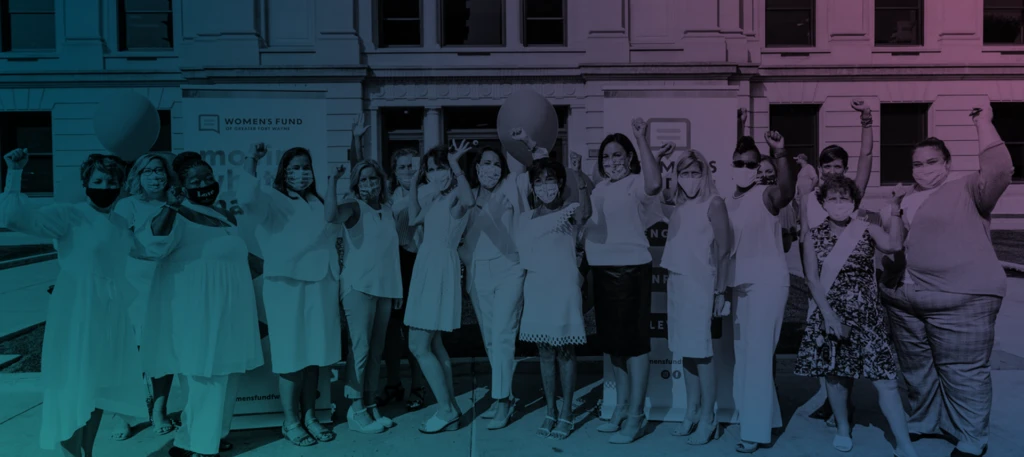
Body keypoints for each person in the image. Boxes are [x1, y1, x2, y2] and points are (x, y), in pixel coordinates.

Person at [879, 106, 1013, 457]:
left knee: (963, 371)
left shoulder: (968, 189)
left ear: (947, 163)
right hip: (906, 298)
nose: (924, 169)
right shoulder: (905, 199)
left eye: (931, 161)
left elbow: (999, 170)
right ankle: (925, 420)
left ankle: (972, 437)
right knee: (916, 369)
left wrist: (982, 123)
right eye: (917, 164)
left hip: (961, 297)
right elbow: (896, 244)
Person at [1, 149, 146, 457]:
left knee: (98, 388)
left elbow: (150, 252)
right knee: (73, 386)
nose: (105, 186)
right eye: (98, 180)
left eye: (112, 181)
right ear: (86, 182)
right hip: (77, 310)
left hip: (110, 313)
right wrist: (14, 174)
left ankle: (87, 453)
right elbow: (13, 218)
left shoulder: (120, 224)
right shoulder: (69, 214)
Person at [138, 151, 264, 457]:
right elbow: (152, 242)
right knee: (205, 376)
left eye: (208, 177)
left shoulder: (224, 216)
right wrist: (171, 204)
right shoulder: (176, 214)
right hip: (197, 312)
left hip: (230, 309)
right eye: (195, 180)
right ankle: (199, 445)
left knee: (227, 374)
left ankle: (205, 437)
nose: (205, 184)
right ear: (180, 185)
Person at [794, 175, 918, 457]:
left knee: (885, 379)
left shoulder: (867, 228)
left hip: (868, 315)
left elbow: (894, 245)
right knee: (837, 376)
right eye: (833, 198)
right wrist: (829, 317)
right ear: (823, 203)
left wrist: (895, 207)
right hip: (832, 314)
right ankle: (842, 429)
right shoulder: (813, 235)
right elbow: (812, 280)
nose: (839, 204)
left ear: (854, 202)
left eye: (845, 198)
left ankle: (904, 443)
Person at [236, 144, 343, 445]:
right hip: (287, 286)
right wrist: (251, 159)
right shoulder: (272, 198)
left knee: (315, 355)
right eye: (294, 167)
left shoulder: (318, 202)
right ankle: (290, 420)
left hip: (320, 284)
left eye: (306, 167)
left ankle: (310, 416)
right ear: (284, 171)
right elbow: (245, 198)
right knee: (291, 355)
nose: (301, 173)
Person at [585, 119, 665, 445]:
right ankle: (619, 408)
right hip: (601, 270)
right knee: (613, 348)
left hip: (630, 270)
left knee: (633, 346)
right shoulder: (600, 188)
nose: (612, 162)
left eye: (618, 155)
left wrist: (640, 137)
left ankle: (636, 415)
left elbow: (656, 182)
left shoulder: (636, 183)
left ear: (629, 158)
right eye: (606, 157)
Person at [800, 100, 875, 427]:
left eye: (838, 166)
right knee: (821, 341)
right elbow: (805, 236)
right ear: (820, 168)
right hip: (821, 284)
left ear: (844, 169)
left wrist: (866, 122)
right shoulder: (809, 197)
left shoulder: (851, 193)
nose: (833, 172)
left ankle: (844, 403)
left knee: (847, 343)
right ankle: (831, 400)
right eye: (827, 166)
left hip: (850, 286)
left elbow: (867, 159)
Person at [724, 132, 796, 453]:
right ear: (732, 165)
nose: (745, 168)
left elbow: (787, 191)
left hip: (768, 283)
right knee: (745, 355)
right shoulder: (727, 201)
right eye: (739, 163)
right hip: (740, 285)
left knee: (757, 357)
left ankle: (753, 432)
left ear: (758, 168)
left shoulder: (767, 193)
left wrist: (780, 153)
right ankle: (765, 417)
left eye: (751, 164)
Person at [511, 158, 591, 440]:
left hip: (564, 289)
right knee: (544, 352)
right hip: (537, 288)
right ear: (532, 186)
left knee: (566, 351)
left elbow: (585, 214)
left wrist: (579, 175)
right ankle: (550, 410)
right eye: (539, 181)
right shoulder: (525, 217)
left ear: (560, 183)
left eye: (550, 179)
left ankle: (567, 412)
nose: (545, 186)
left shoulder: (571, 212)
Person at [657, 149, 732, 446]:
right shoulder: (676, 203)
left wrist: (720, 292)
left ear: (705, 174)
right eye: (684, 173)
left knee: (701, 352)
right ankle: (691, 411)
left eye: (695, 173)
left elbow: (725, 251)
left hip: (702, 284)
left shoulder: (714, 204)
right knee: (685, 351)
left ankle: (708, 417)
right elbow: (656, 189)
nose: (690, 179)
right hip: (676, 282)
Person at [326, 159, 404, 434]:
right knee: (359, 350)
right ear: (356, 185)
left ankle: (370, 405)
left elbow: (390, 255)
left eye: (373, 179)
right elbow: (330, 216)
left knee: (376, 351)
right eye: (363, 180)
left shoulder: (386, 209)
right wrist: (332, 180)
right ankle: (355, 408)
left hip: (384, 289)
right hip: (358, 287)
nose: (369, 184)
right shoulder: (353, 206)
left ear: (381, 181)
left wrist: (397, 291)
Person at [403, 141, 475, 433]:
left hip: (437, 268)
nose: (436, 174)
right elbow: (412, 219)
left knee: (417, 345)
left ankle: (445, 410)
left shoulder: (458, 196)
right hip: (427, 265)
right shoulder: (435, 199)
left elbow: (469, 201)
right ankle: (452, 408)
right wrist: (412, 185)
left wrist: (457, 165)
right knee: (433, 344)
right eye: (431, 170)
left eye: (441, 168)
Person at [110, 152, 180, 442]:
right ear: (137, 176)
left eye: (160, 170)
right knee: (129, 354)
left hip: (167, 286)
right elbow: (116, 243)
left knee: (163, 351)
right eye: (148, 171)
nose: (155, 176)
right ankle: (123, 413)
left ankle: (160, 409)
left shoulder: (177, 204)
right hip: (133, 288)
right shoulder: (127, 205)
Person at [459, 145, 525, 430]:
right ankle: (505, 393)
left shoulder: (511, 188)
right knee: (489, 338)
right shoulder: (467, 196)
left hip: (508, 269)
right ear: (476, 167)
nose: (491, 169)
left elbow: (525, 166)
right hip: (478, 272)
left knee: (502, 335)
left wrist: (522, 141)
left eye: (497, 164)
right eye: (486, 163)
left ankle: (502, 402)